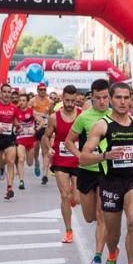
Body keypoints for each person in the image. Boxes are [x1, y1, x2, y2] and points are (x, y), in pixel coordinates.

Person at [79, 82, 133, 264]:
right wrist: (104, 156)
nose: (122, 102)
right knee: (112, 234)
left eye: (126, 97)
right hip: (110, 182)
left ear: (132, 99)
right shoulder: (102, 125)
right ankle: (112, 254)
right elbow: (83, 158)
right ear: (110, 99)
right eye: (118, 97)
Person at [66, 78, 111, 264]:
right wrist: (80, 156)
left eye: (105, 97)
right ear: (91, 98)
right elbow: (69, 141)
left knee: (102, 215)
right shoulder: (84, 117)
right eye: (98, 98)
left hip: (107, 172)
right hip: (86, 171)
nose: (102, 101)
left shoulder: (115, 116)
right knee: (89, 216)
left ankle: (98, 256)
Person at [45, 85, 83, 243]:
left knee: (78, 198)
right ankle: (68, 230)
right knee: (65, 195)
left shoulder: (82, 115)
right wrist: (48, 149)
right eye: (67, 100)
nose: (69, 104)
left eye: (73, 101)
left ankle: (74, 198)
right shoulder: (54, 117)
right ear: (62, 98)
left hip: (77, 158)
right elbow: (46, 136)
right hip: (60, 159)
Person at [15, 93, 39, 190]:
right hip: (20, 139)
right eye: (20, 100)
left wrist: (35, 130)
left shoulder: (32, 112)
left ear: (27, 102)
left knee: (29, 163)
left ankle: (36, 163)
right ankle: (21, 181)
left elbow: (41, 122)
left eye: (24, 100)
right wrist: (17, 128)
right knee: (21, 159)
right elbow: (13, 123)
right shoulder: (16, 112)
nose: (21, 102)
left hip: (30, 140)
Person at [31, 82, 52, 184]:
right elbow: (28, 112)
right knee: (35, 149)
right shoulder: (32, 101)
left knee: (45, 151)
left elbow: (52, 115)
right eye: (41, 90)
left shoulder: (50, 102)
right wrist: (37, 114)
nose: (43, 91)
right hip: (35, 128)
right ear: (37, 90)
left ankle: (45, 174)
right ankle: (36, 162)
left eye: (44, 89)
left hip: (45, 128)